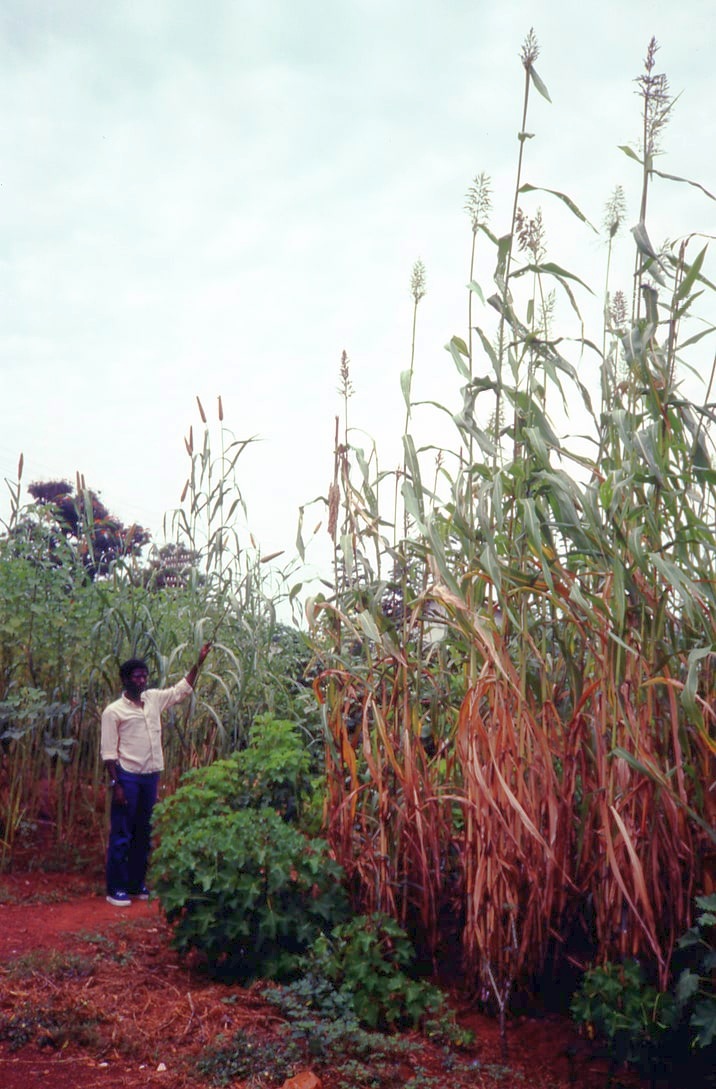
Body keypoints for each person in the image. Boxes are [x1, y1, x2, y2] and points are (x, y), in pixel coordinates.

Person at [101, 642, 212, 906]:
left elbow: (181, 690)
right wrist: (116, 784)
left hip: (150, 777)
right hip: (127, 776)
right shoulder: (113, 712)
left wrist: (199, 662)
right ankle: (115, 888)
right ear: (125, 680)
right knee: (122, 833)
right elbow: (108, 753)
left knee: (143, 832)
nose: (141, 680)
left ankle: (136, 884)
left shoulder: (152, 699)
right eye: (136, 676)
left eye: (144, 675)